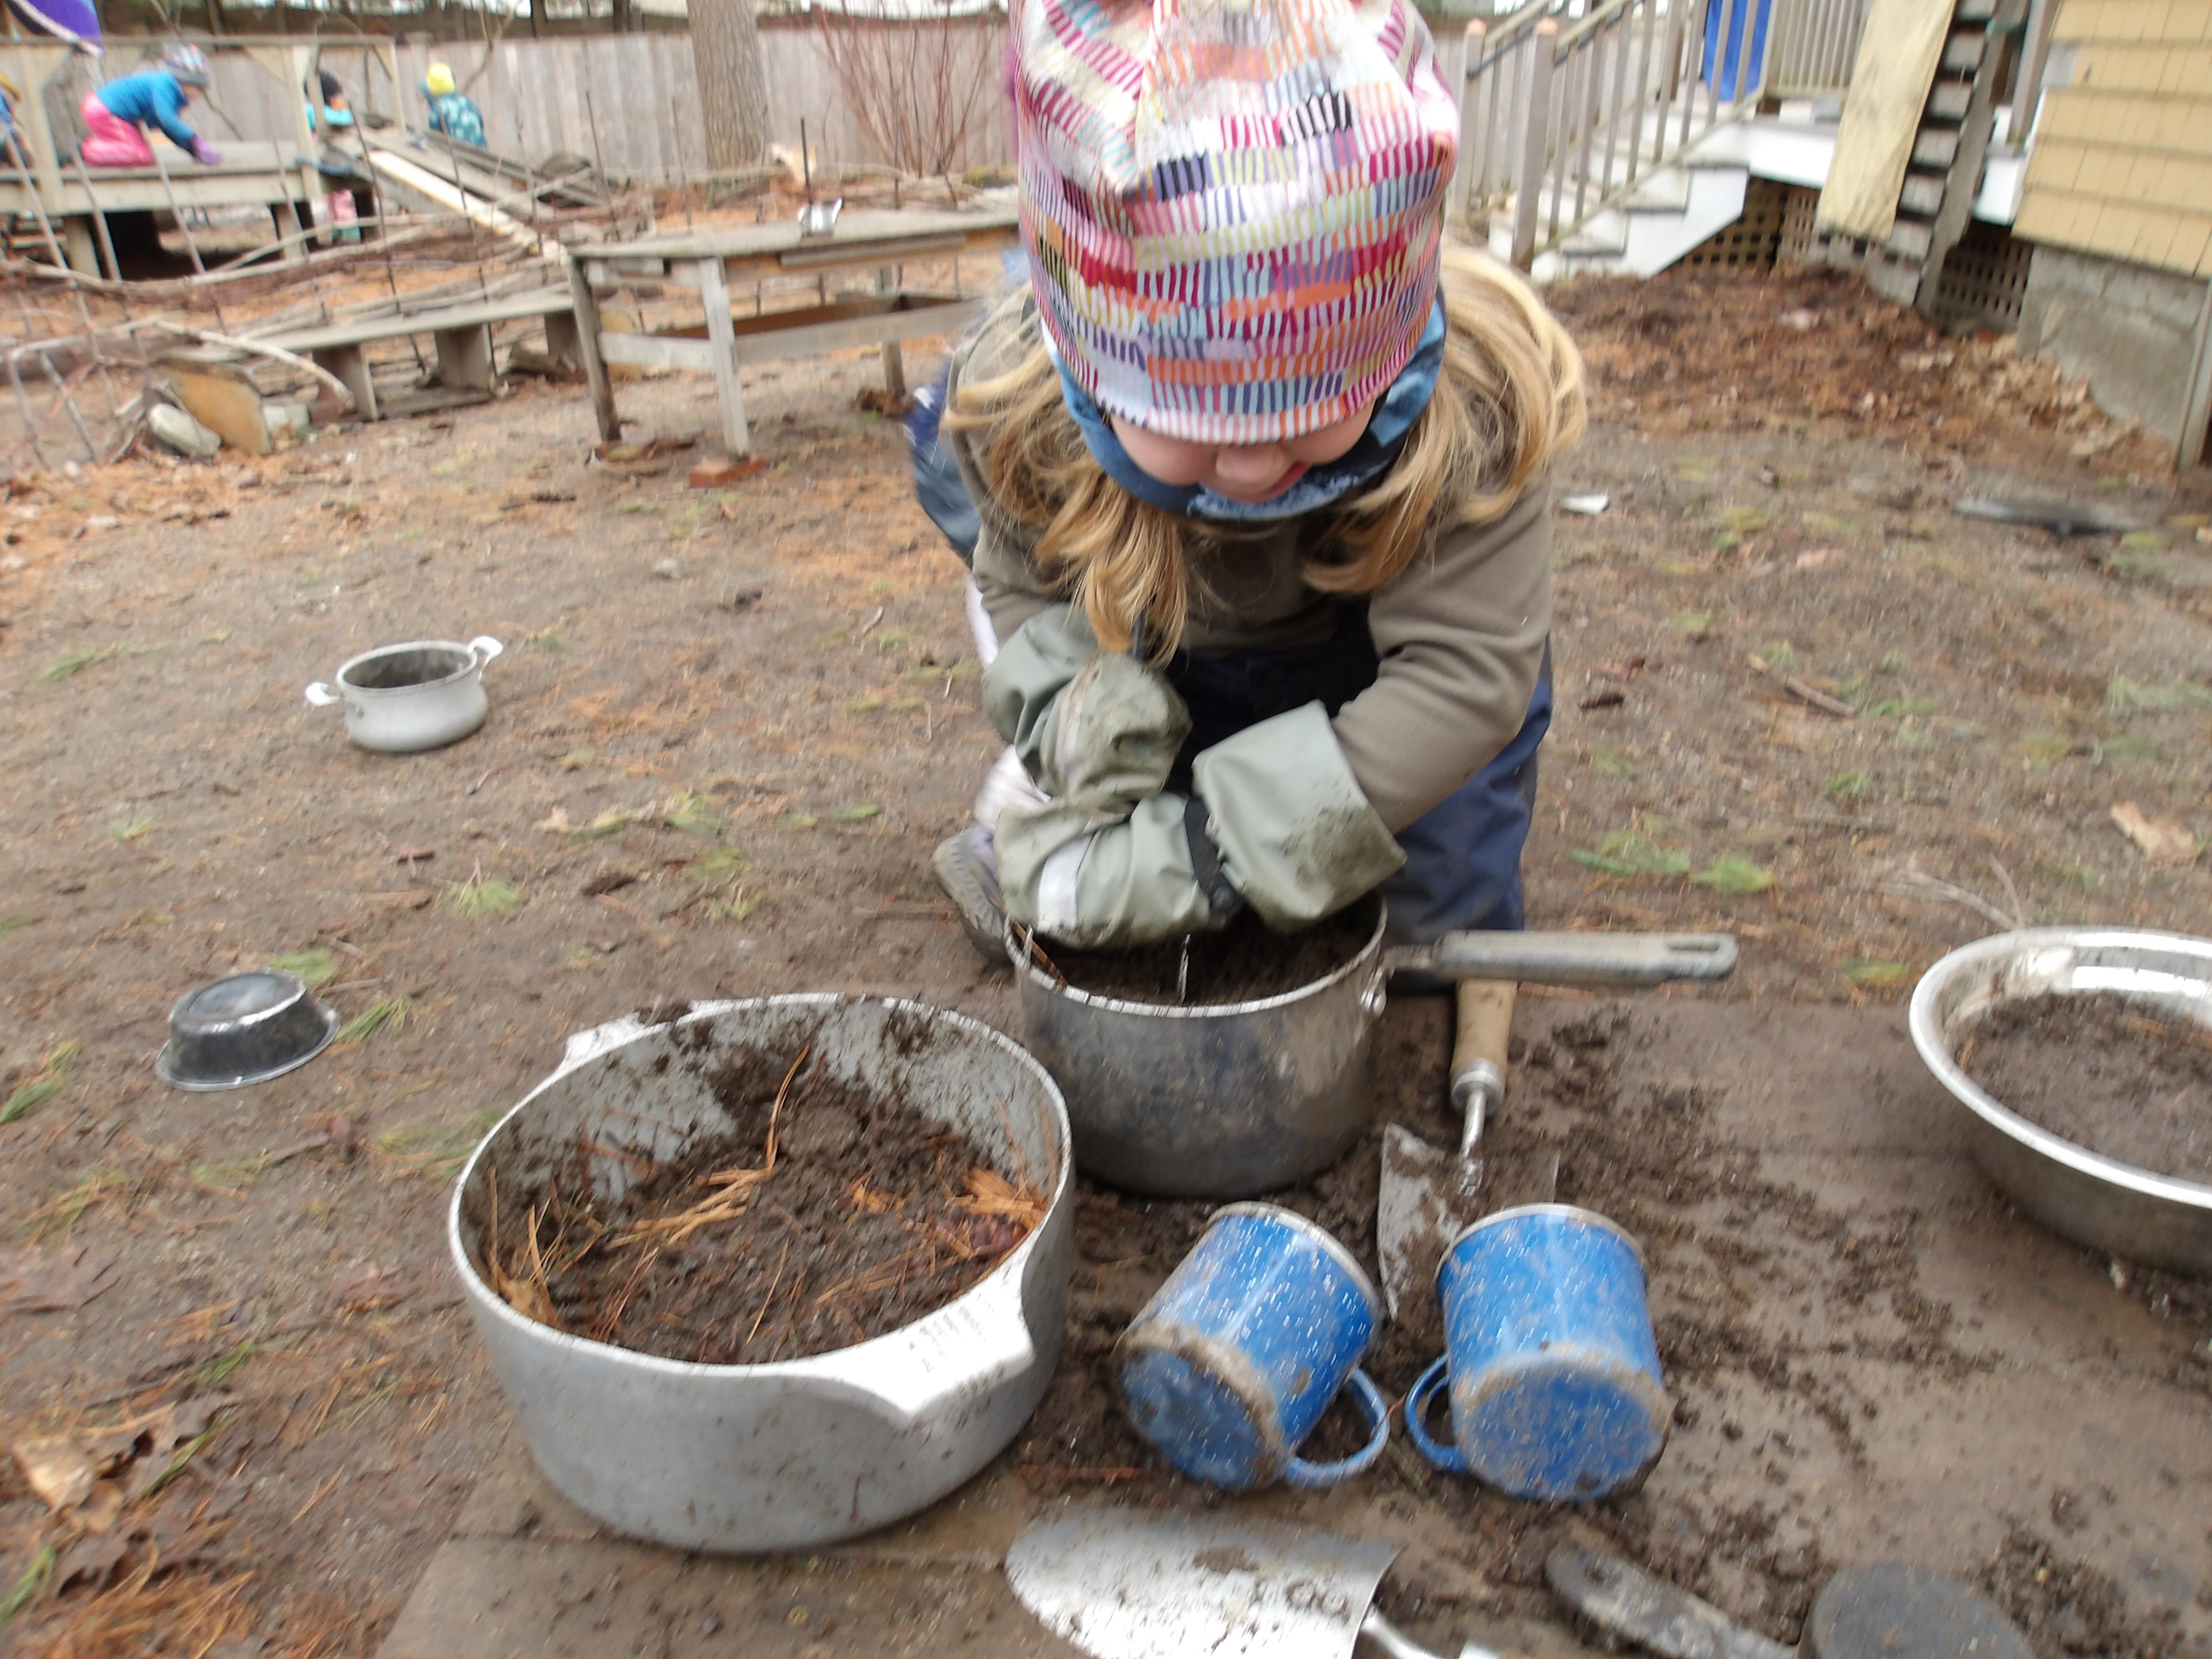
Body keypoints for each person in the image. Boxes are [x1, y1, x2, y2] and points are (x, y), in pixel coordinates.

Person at [926, 0, 1584, 964]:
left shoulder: (1476, 410)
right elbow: (1019, 580)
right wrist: (1075, 707)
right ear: (1086, 359)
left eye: (1307, 410)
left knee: (1422, 947)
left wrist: (1215, 851)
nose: (1250, 467)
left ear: (1394, 322)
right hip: (1184, 669)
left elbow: (1463, 676)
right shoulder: (1015, 404)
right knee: (1177, 949)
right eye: (1193, 420)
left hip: (1412, 700)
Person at [80, 44, 220, 169]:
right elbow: (167, 120)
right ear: (187, 82)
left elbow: (166, 127)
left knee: (145, 155)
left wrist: (193, 149)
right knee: (141, 155)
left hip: (112, 113)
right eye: (199, 88)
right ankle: (87, 151)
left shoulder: (173, 90)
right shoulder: (165, 84)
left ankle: (98, 147)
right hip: (104, 111)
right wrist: (194, 139)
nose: (199, 94)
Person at [304, 69, 361, 243]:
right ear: (328, 98)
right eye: (337, 96)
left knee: (338, 196)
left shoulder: (320, 111)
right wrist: (342, 110)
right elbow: (340, 120)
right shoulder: (314, 112)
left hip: (333, 160)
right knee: (338, 196)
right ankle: (346, 229)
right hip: (330, 160)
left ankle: (340, 228)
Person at [421, 62, 483, 149]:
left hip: (458, 154)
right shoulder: (469, 103)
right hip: (482, 155)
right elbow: (481, 126)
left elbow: (435, 138)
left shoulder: (439, 108)